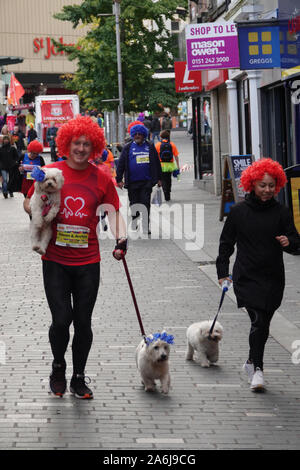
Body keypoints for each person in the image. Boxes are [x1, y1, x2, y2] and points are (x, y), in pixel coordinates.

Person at [23, 115, 127, 399]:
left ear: (93, 147)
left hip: (88, 263)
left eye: (86, 143)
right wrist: (34, 210)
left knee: (83, 322)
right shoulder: (51, 171)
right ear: (65, 144)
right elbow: (28, 200)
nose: (80, 148)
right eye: (76, 143)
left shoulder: (101, 178)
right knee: (61, 320)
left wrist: (121, 239)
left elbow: (114, 212)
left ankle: (78, 377)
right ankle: (58, 367)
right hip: (55, 260)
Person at [216, 158, 300, 392]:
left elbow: (295, 242)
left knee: (263, 322)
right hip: (246, 276)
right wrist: (223, 272)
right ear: (252, 184)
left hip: (273, 277)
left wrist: (288, 242)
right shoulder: (238, 212)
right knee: (259, 321)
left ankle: (252, 361)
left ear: (278, 186)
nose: (267, 190)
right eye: (263, 185)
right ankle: (259, 369)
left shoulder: (281, 212)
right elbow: (226, 244)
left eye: (272, 185)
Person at [116, 123, 162, 234]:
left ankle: (146, 226)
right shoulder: (128, 147)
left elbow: (156, 163)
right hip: (132, 182)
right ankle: (135, 219)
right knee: (134, 203)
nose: (137, 136)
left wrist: (159, 179)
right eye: (135, 134)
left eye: (139, 134)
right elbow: (121, 164)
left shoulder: (150, 146)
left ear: (143, 135)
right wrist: (119, 179)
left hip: (146, 181)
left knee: (145, 203)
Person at [155, 130, 179, 202]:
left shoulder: (158, 145)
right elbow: (176, 156)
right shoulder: (172, 144)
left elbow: (154, 156)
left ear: (161, 137)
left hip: (161, 165)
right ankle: (168, 192)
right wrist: (177, 165)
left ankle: (165, 192)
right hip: (170, 165)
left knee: (163, 179)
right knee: (168, 179)